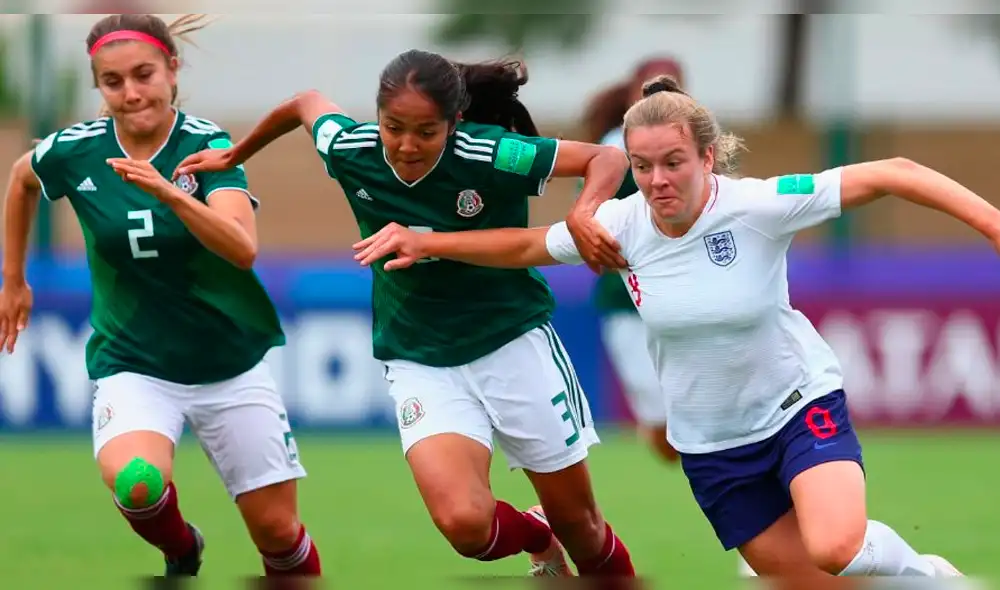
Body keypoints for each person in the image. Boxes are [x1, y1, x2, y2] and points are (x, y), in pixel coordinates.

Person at [350, 74, 985, 579]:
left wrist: (993, 227)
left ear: (708, 157)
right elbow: (521, 246)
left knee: (836, 545)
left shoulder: (760, 205)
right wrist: (429, 241)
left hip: (798, 406)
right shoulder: (621, 226)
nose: (657, 181)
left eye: (674, 162)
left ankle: (933, 577)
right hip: (710, 445)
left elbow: (896, 172)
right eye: (643, 165)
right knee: (814, 579)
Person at [174, 49, 636, 578]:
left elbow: (609, 159)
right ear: (377, 118)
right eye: (393, 127)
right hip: (420, 359)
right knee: (465, 526)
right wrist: (235, 156)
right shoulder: (352, 148)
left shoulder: (492, 153)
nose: (406, 145)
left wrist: (582, 211)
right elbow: (305, 104)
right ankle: (538, 536)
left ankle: (562, 531)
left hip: (511, 344)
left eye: (426, 132)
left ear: (454, 124)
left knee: (584, 527)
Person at [0, 14, 321, 578]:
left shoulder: (209, 145)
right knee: (138, 483)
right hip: (134, 365)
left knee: (278, 535)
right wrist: (14, 280)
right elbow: (22, 179)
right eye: (113, 81)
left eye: (144, 74)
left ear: (173, 70)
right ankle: (182, 549)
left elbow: (242, 248)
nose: (131, 92)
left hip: (229, 365)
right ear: (99, 85)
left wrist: (171, 193)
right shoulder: (77, 150)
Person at [581, 56, 685, 463]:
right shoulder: (613, 147)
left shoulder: (699, 145)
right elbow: (588, 216)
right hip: (627, 299)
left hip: (687, 296)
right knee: (661, 422)